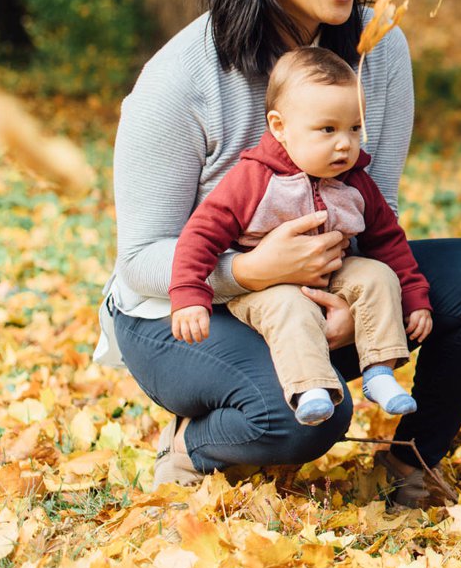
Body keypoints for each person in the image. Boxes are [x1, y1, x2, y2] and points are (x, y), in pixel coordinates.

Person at [97, 0, 461, 507]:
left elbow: (370, 204)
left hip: (326, 282)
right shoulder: (180, 79)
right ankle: (194, 444)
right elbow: (139, 261)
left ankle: (411, 460)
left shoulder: (377, 49)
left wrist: (346, 297)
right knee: (312, 416)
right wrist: (255, 271)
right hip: (182, 312)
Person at [169, 47, 430, 427]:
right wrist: (189, 294)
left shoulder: (355, 181)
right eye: (328, 129)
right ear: (280, 127)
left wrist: (414, 294)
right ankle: (310, 388)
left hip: (335, 272)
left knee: (378, 275)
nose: (345, 143)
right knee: (289, 306)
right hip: (264, 289)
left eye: (354, 128)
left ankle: (379, 370)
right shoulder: (254, 180)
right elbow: (201, 234)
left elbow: (388, 240)